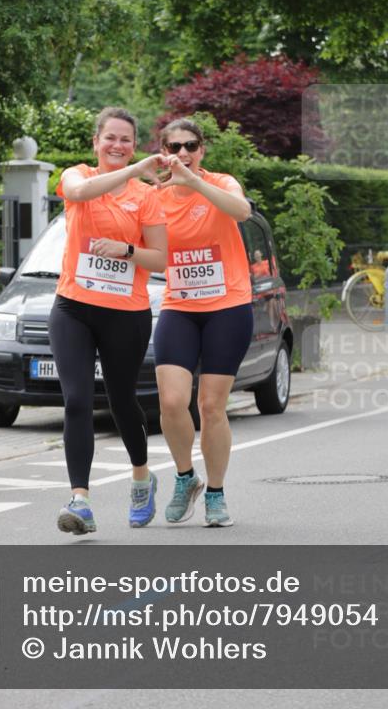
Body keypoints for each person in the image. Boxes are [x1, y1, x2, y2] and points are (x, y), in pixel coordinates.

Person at [49, 107, 167, 535]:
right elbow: (80, 194)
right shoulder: (75, 175)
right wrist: (136, 169)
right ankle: (80, 501)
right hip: (73, 307)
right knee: (77, 399)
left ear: (134, 145)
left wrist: (127, 252)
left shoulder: (147, 196)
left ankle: (141, 477)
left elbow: (161, 259)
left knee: (121, 400)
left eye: (126, 140)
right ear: (95, 142)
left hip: (126, 312)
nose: (118, 146)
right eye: (110, 138)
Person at [153, 118, 253, 527]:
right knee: (172, 401)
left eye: (190, 146)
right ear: (163, 152)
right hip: (180, 305)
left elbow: (242, 211)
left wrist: (194, 183)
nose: (183, 154)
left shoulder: (220, 182)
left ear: (202, 150)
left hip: (227, 306)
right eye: (174, 147)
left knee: (211, 405)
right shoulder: (154, 198)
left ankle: (215, 492)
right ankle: (184, 477)